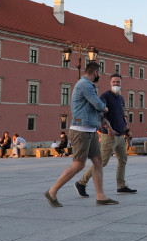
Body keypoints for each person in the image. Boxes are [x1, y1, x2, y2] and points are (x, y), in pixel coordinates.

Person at [44, 61, 118, 207]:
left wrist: (105, 123)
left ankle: (101, 196)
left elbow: (93, 109)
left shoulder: (88, 86)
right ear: (95, 72)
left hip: (90, 130)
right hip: (80, 130)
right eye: (99, 73)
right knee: (79, 164)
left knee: (98, 161)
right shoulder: (84, 85)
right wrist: (105, 108)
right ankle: (52, 191)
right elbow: (98, 105)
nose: (99, 75)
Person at [77, 73, 136, 196]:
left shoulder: (121, 98)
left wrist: (127, 131)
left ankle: (121, 185)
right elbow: (100, 114)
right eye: (114, 82)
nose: (116, 84)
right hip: (109, 135)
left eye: (118, 82)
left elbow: (121, 117)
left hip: (120, 136)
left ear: (121, 83)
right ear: (110, 83)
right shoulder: (105, 96)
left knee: (123, 160)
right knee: (102, 162)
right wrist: (108, 128)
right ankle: (81, 182)